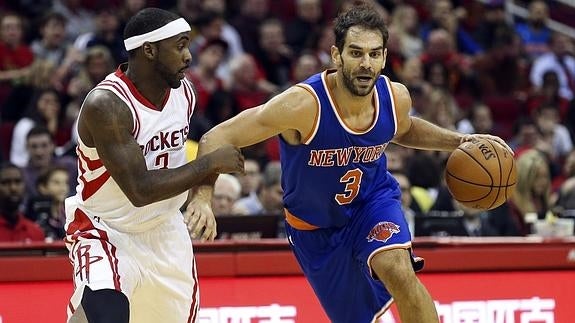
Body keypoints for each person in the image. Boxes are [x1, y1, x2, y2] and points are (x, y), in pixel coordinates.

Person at [187, 5, 512, 323]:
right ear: (336, 55)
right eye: (356, 53)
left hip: (372, 203)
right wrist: (203, 198)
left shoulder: (394, 96)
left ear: (385, 57)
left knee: (401, 273)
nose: (366, 64)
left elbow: (405, 127)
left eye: (374, 54)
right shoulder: (302, 106)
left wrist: (459, 140)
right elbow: (216, 137)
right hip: (315, 228)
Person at [63, 8, 244, 323]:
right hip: (106, 229)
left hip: (165, 230)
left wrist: (203, 195)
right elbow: (140, 189)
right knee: (106, 314)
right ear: (149, 49)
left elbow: (207, 146)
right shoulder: (107, 105)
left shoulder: (184, 92)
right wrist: (210, 164)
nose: (189, 56)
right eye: (180, 46)